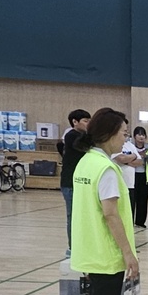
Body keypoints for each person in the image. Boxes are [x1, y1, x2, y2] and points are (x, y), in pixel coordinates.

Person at [69, 107, 139, 295]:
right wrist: (128, 253)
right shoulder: (106, 169)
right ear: (109, 134)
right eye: (123, 133)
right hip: (105, 252)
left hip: (89, 248)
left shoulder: (87, 162)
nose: (125, 139)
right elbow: (111, 215)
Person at [58, 109, 91, 256]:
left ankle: (82, 244)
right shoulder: (72, 136)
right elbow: (84, 147)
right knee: (72, 216)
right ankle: (72, 247)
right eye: (85, 121)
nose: (88, 124)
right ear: (75, 122)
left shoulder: (83, 136)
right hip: (70, 184)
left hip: (81, 183)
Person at [111, 130, 144, 216]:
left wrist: (128, 160)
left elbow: (140, 162)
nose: (126, 136)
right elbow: (121, 158)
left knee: (130, 212)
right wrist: (133, 157)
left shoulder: (130, 145)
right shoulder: (114, 145)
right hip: (118, 184)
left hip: (130, 185)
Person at [131, 127, 148, 229]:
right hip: (132, 177)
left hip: (145, 177)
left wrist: (146, 156)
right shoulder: (130, 147)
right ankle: (130, 221)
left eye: (143, 135)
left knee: (143, 200)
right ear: (134, 136)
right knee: (132, 199)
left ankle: (140, 222)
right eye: (139, 134)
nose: (141, 137)